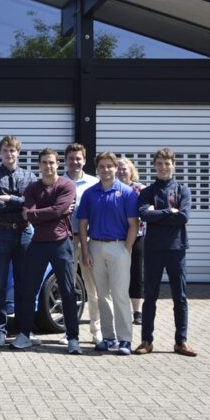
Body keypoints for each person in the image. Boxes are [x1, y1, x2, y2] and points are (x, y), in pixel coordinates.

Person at [77, 151, 139, 356]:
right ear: (97, 169)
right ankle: (108, 337)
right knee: (102, 295)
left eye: (109, 166)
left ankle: (125, 340)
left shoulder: (127, 193)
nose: (106, 170)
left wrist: (127, 249)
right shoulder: (90, 193)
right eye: (102, 166)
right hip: (95, 246)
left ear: (115, 168)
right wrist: (85, 251)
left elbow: (133, 225)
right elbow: (83, 225)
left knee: (120, 294)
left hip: (119, 246)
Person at [135, 148, 196, 357]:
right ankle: (146, 341)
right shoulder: (148, 191)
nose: (163, 167)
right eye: (159, 164)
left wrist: (156, 214)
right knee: (150, 297)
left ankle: (181, 342)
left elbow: (184, 217)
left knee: (180, 297)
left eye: (167, 164)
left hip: (176, 249)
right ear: (154, 166)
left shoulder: (182, 190)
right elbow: (143, 214)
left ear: (174, 165)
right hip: (153, 250)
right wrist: (170, 212)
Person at [21, 149, 80, 354]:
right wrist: (42, 213)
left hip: (61, 243)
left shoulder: (67, 185)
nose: (48, 166)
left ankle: (73, 338)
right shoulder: (32, 188)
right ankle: (24, 334)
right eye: (45, 162)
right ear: (39, 165)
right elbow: (33, 215)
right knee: (29, 290)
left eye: (52, 162)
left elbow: (49, 211)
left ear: (58, 164)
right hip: (37, 243)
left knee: (67, 290)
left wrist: (36, 213)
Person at [0, 135, 37, 348]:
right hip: (1, 232)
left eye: (13, 150)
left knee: (23, 283)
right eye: (6, 151)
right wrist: (17, 202)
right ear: (1, 153)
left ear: (19, 153)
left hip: (24, 233)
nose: (9, 154)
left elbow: (33, 202)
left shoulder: (30, 176)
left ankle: (24, 329)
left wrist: (10, 199)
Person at [64, 142, 101, 345]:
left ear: (84, 161)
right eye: (71, 158)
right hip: (65, 240)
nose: (75, 162)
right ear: (66, 161)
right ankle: (69, 331)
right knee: (68, 288)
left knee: (93, 287)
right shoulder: (58, 182)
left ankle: (97, 332)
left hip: (88, 240)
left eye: (78, 158)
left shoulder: (94, 184)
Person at [117, 157, 146, 324]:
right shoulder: (112, 188)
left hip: (138, 236)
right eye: (119, 168)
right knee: (118, 274)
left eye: (124, 169)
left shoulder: (140, 189)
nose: (121, 171)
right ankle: (120, 309)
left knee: (136, 273)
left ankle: (137, 312)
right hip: (117, 237)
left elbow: (147, 210)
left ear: (131, 171)